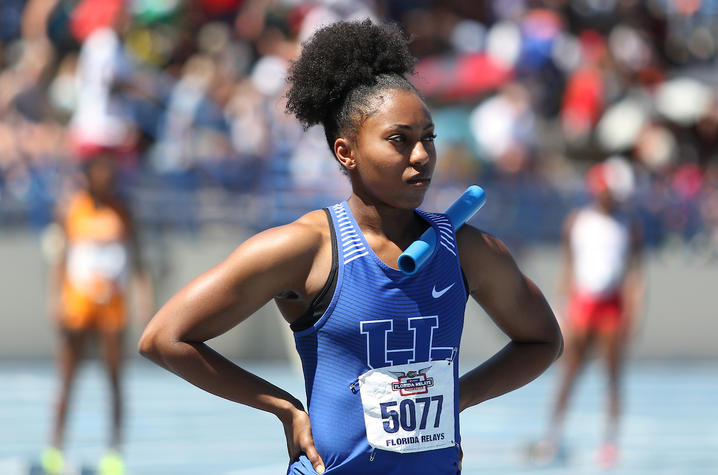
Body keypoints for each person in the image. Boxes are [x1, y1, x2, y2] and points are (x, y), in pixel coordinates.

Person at [139, 20, 562, 474]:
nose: (421, 155)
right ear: (347, 153)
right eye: (399, 140)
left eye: (429, 138)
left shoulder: (468, 250)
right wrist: (284, 407)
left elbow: (542, 341)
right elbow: (164, 338)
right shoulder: (305, 249)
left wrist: (459, 397)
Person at [528, 158, 644, 468]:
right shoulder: (577, 221)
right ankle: (553, 436)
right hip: (582, 304)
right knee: (569, 373)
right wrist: (561, 308)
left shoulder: (629, 225)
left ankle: (610, 442)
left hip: (611, 306)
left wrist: (633, 312)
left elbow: (634, 274)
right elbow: (569, 269)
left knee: (612, 376)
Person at [42, 152, 153, 475]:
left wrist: (144, 299)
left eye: (110, 174)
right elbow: (60, 256)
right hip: (77, 304)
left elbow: (138, 259)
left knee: (114, 379)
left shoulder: (124, 211)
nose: (106, 180)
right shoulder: (71, 208)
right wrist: (55, 298)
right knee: (67, 377)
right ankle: (55, 448)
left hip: (112, 307)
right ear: (88, 175)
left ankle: (114, 451)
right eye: (100, 173)